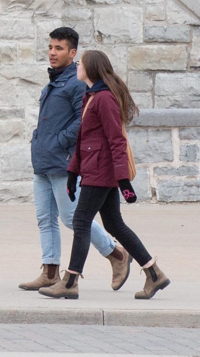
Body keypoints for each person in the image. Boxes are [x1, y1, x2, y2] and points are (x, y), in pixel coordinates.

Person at [42, 50, 171, 300]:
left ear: (91, 68)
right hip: (94, 168)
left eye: (81, 62)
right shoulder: (91, 96)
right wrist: (72, 173)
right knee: (113, 224)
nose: (78, 65)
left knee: (81, 221)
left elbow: (116, 140)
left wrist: (123, 180)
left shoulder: (104, 99)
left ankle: (70, 281)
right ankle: (154, 274)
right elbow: (83, 139)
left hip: (102, 171)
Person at [21, 28, 129, 292]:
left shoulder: (76, 83)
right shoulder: (54, 81)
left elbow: (82, 123)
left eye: (59, 48)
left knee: (72, 218)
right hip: (43, 160)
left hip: (63, 162)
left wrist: (58, 142)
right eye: (50, 47)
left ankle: (115, 253)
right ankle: (49, 272)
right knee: (45, 219)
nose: (52, 52)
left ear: (73, 53)